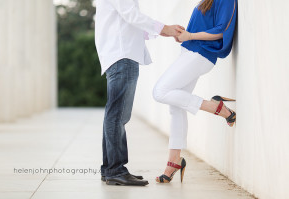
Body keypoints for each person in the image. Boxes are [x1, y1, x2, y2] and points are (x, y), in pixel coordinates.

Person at [95, 0, 184, 186]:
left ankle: (110, 169)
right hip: (123, 56)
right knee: (117, 116)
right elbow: (131, 15)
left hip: (118, 56)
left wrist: (161, 31)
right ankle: (115, 170)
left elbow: (128, 21)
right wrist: (165, 29)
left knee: (114, 115)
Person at [152, 0, 238, 183]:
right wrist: (183, 34)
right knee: (175, 107)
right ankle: (173, 161)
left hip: (200, 54)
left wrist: (190, 35)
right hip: (190, 52)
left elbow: (221, 30)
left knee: (160, 91)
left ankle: (216, 107)